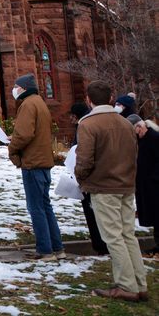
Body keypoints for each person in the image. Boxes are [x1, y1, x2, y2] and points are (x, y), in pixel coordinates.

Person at [75, 81, 148, 302]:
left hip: (104, 187)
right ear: (109, 98)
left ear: (89, 99)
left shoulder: (88, 124)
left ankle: (127, 285)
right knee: (127, 235)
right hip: (125, 185)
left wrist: (80, 178)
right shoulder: (126, 123)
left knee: (114, 238)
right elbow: (133, 154)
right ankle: (139, 283)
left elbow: (84, 160)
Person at [7, 73, 64, 261]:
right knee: (45, 206)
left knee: (36, 208)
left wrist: (12, 147)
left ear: (22, 88)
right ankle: (57, 248)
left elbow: (24, 134)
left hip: (33, 163)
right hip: (43, 161)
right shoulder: (39, 102)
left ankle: (45, 250)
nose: (14, 90)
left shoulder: (28, 105)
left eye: (16, 86)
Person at [70, 102, 108, 256]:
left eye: (72, 116)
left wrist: (79, 174)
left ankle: (101, 245)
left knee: (95, 213)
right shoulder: (93, 123)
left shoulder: (84, 127)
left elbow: (84, 155)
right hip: (102, 177)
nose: (71, 119)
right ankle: (102, 244)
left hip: (91, 178)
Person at [134, 118, 159, 260]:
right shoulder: (145, 138)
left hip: (153, 185)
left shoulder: (153, 138)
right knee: (155, 218)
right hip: (148, 184)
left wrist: (153, 178)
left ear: (140, 127)